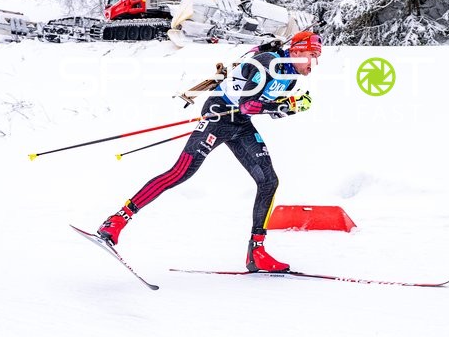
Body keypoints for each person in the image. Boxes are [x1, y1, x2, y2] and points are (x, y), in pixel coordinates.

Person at [97, 31, 322, 272]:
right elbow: (250, 103)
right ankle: (117, 220)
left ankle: (257, 252)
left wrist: (288, 108)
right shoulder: (268, 63)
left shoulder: (290, 77)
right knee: (180, 172)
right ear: (297, 51)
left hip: (240, 123)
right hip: (219, 114)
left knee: (269, 181)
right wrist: (285, 105)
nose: (314, 63)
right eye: (312, 55)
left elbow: (260, 108)